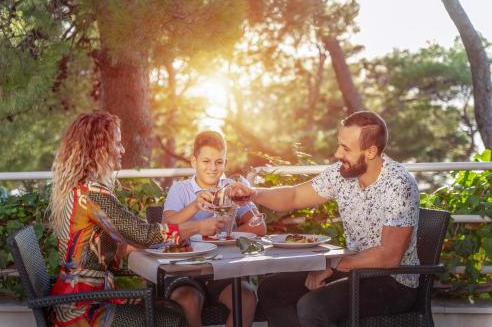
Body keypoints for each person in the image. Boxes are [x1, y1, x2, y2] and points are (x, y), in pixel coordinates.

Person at [230, 111, 420, 327]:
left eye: (346, 148)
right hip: (353, 269)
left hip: (393, 282)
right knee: (272, 289)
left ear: (371, 151)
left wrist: (333, 265)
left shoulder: (399, 184)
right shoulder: (342, 175)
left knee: (313, 307)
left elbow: (389, 256)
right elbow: (293, 196)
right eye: (340, 145)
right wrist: (253, 193)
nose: (338, 153)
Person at [49, 111, 225, 327]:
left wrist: (128, 248)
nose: (122, 149)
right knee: (172, 318)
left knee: (172, 308)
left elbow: (107, 247)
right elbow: (143, 234)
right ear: (99, 147)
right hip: (83, 309)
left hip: (85, 299)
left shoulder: (85, 190)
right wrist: (198, 226)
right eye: (117, 143)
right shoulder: (92, 194)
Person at [162, 130, 266, 327]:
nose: (212, 168)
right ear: (194, 161)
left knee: (247, 299)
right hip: (186, 272)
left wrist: (225, 234)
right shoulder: (181, 189)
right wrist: (194, 206)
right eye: (206, 161)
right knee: (188, 301)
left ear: (225, 163)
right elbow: (166, 229)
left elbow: (259, 227)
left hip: (225, 271)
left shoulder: (232, 187)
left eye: (219, 162)